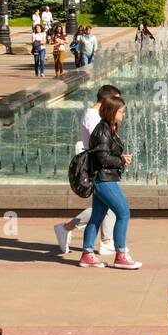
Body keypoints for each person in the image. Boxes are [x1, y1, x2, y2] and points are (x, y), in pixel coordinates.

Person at [55, 83, 121, 256]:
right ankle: (67, 228)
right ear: (107, 100)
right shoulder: (92, 116)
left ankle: (104, 240)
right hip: (98, 168)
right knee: (112, 206)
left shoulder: (95, 115)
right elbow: (101, 144)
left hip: (104, 167)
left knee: (105, 206)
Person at [78, 95, 140, 270]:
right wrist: (120, 160)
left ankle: (87, 255)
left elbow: (104, 154)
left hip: (104, 177)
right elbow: (102, 157)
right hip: (104, 179)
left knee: (97, 216)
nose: (123, 115)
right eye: (121, 111)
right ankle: (121, 255)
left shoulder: (108, 128)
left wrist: (120, 159)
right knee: (124, 213)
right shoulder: (102, 130)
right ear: (112, 112)